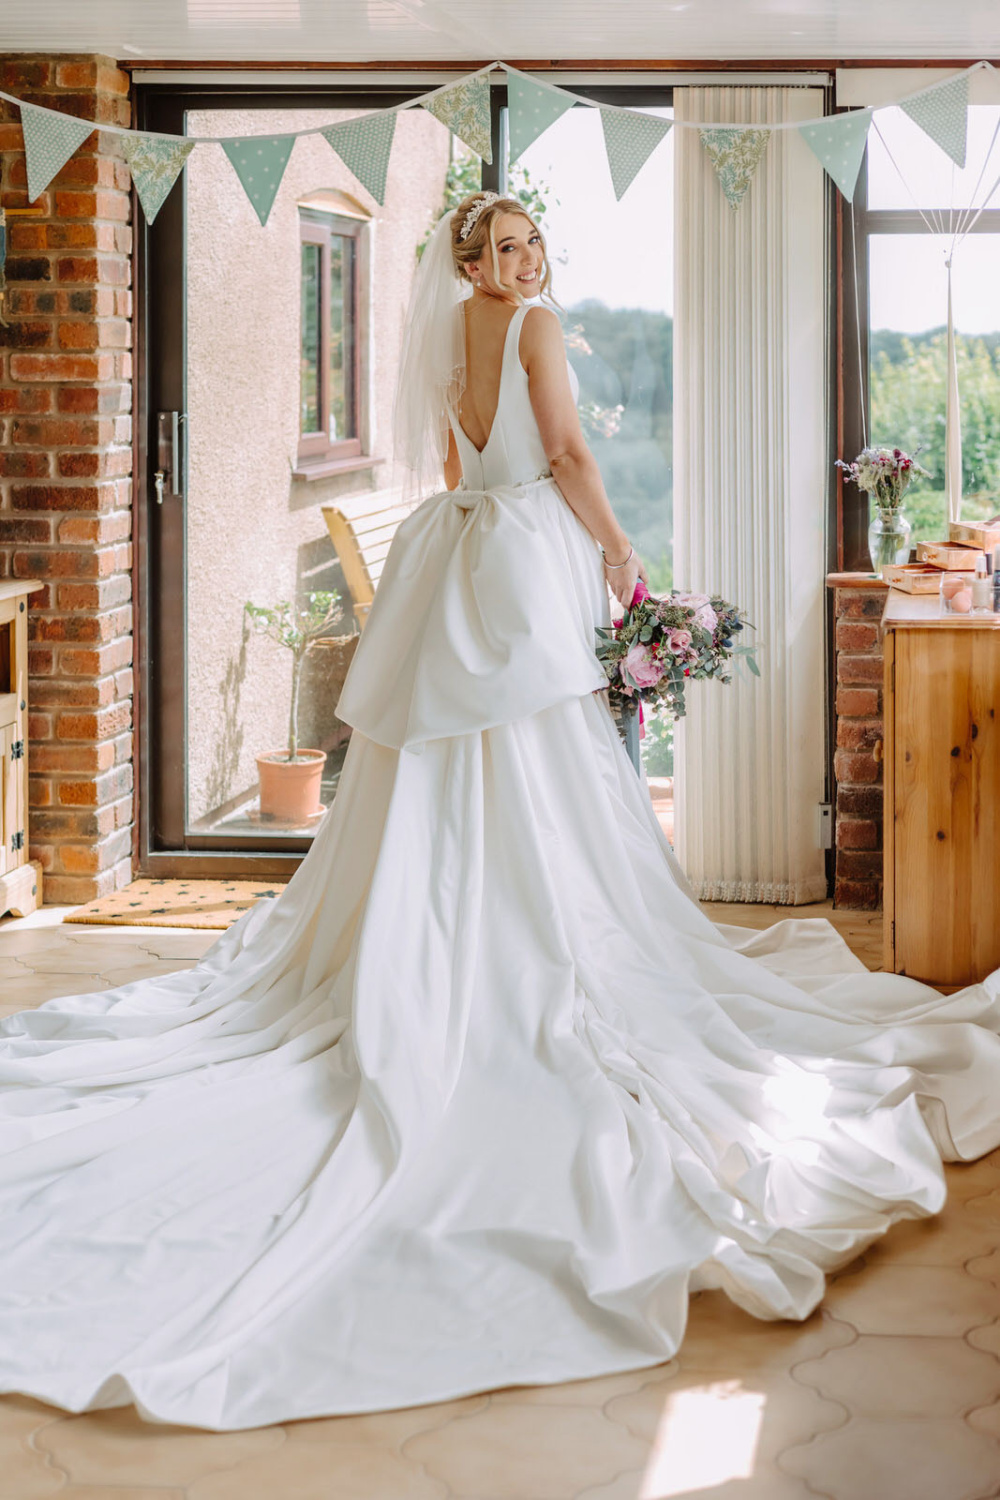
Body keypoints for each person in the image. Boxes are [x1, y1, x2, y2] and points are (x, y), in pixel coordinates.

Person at [0, 190, 998, 1434]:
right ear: (470, 259)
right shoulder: (531, 324)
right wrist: (620, 545)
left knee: (449, 758)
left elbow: (445, 459)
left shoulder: (444, 333)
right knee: (530, 749)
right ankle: (515, 945)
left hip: (462, 547)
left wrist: (511, 517)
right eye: (500, 246)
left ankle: (447, 931)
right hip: (521, 550)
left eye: (526, 242)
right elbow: (570, 455)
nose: (521, 259)